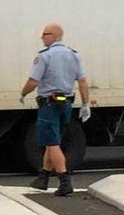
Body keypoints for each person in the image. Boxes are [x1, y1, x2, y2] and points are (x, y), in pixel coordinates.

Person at [19, 23, 90, 196]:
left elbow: (33, 81)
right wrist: (85, 104)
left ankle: (65, 181)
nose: (42, 37)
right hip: (65, 103)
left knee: (52, 142)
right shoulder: (74, 55)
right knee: (53, 139)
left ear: (55, 36)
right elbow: (82, 81)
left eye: (45, 34)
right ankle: (43, 177)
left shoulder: (45, 56)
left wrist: (23, 93)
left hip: (49, 103)